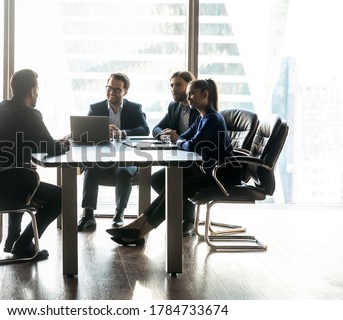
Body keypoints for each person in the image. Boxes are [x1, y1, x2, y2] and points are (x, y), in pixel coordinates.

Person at [106, 79, 242, 246]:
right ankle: (140, 226)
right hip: (205, 168)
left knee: (176, 188)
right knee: (160, 180)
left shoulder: (213, 119)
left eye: (192, 93)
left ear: (205, 95)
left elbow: (188, 143)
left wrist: (179, 140)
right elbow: (185, 138)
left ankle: (140, 230)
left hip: (222, 173)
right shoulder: (202, 117)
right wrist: (180, 140)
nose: (188, 97)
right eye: (188, 94)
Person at [0, 69, 69, 260]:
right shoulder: (29, 114)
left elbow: (21, 140)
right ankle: (22, 243)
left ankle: (12, 238)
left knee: (23, 178)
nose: (38, 93)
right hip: (8, 182)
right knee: (60, 197)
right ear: (31, 90)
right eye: (37, 89)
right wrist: (64, 145)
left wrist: (49, 144)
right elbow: (52, 149)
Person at [77, 72, 150, 231]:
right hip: (102, 160)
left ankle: (119, 214)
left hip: (127, 160)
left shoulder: (134, 108)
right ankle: (88, 215)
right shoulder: (95, 108)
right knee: (90, 167)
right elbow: (83, 132)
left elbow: (145, 130)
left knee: (123, 171)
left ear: (125, 92)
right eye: (109, 88)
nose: (112, 92)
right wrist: (102, 130)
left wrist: (122, 133)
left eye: (117, 89)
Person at [152, 71, 200, 236]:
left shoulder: (199, 109)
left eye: (178, 85)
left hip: (197, 161)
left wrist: (178, 138)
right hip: (181, 157)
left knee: (175, 181)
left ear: (190, 86)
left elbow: (199, 140)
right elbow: (156, 128)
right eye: (171, 85)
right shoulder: (174, 107)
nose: (173, 89)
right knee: (157, 179)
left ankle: (188, 220)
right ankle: (182, 216)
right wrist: (163, 133)